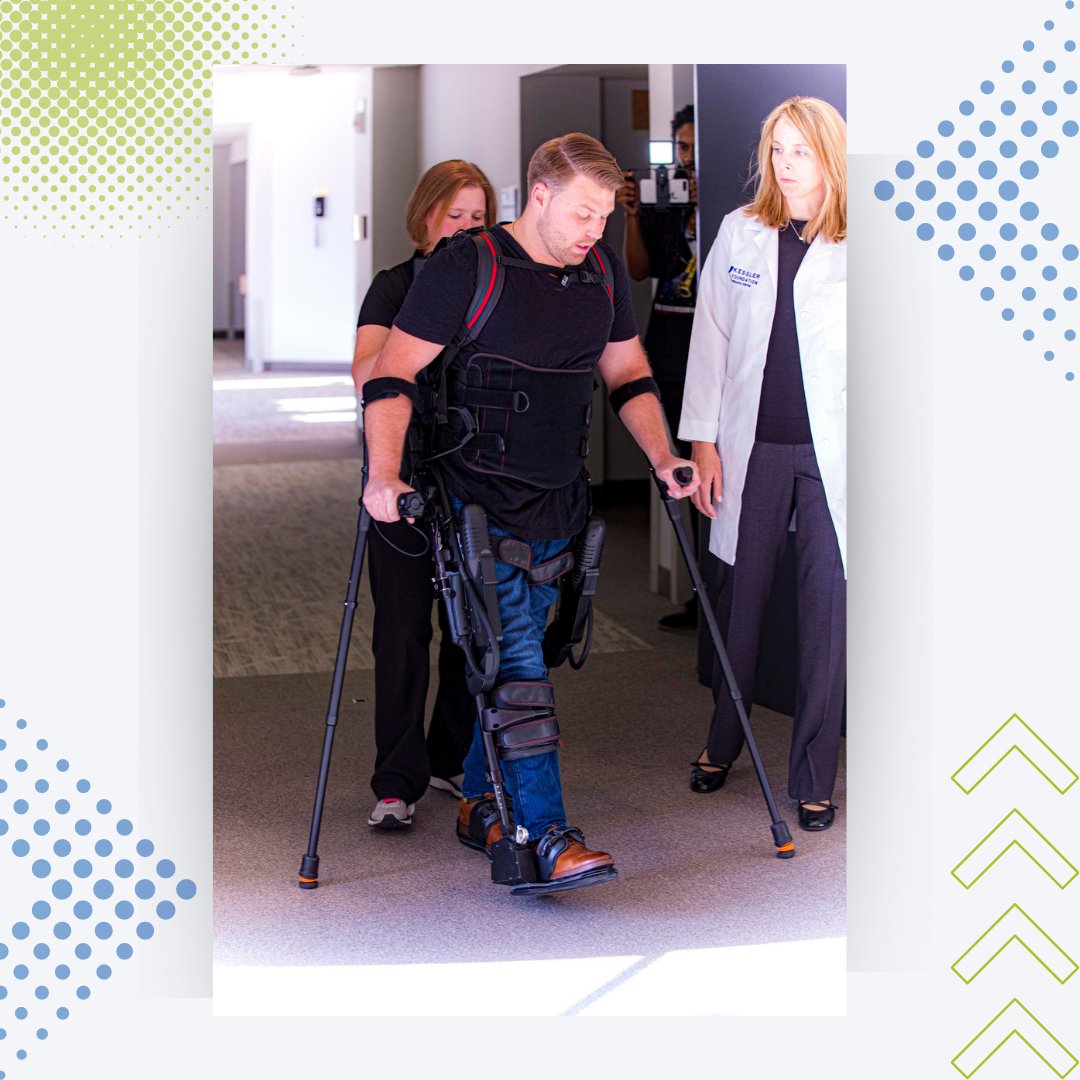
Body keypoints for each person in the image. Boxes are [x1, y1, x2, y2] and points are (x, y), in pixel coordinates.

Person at [362, 133, 698, 892]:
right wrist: (383, 475)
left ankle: (480, 799)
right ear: (538, 196)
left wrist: (663, 456)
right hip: (473, 500)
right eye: (582, 213)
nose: (594, 232)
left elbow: (629, 372)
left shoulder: (601, 272)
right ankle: (544, 834)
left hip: (559, 501)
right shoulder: (467, 266)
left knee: (529, 657)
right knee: (515, 665)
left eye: (605, 218)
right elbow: (393, 374)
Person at [678, 97, 846, 832]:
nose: (786, 163)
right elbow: (709, 343)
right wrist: (704, 441)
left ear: (830, 155)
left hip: (837, 459)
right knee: (739, 609)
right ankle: (722, 742)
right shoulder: (741, 233)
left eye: (801, 150)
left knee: (826, 617)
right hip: (753, 447)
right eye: (777, 149)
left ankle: (814, 776)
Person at [352, 160, 497, 829]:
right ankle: (397, 778)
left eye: (478, 217)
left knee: (472, 620)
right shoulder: (396, 286)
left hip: (474, 472)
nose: (466, 229)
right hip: (402, 471)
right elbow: (366, 374)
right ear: (426, 215)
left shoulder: (494, 283)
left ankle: (450, 756)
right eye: (454, 215)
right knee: (403, 626)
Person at [618, 105, 700, 631]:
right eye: (682, 149)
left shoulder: (741, 210)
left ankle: (726, 584)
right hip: (669, 348)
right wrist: (631, 215)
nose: (686, 160)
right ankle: (701, 591)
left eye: (693, 149)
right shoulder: (663, 202)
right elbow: (639, 270)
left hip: (720, 356)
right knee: (686, 469)